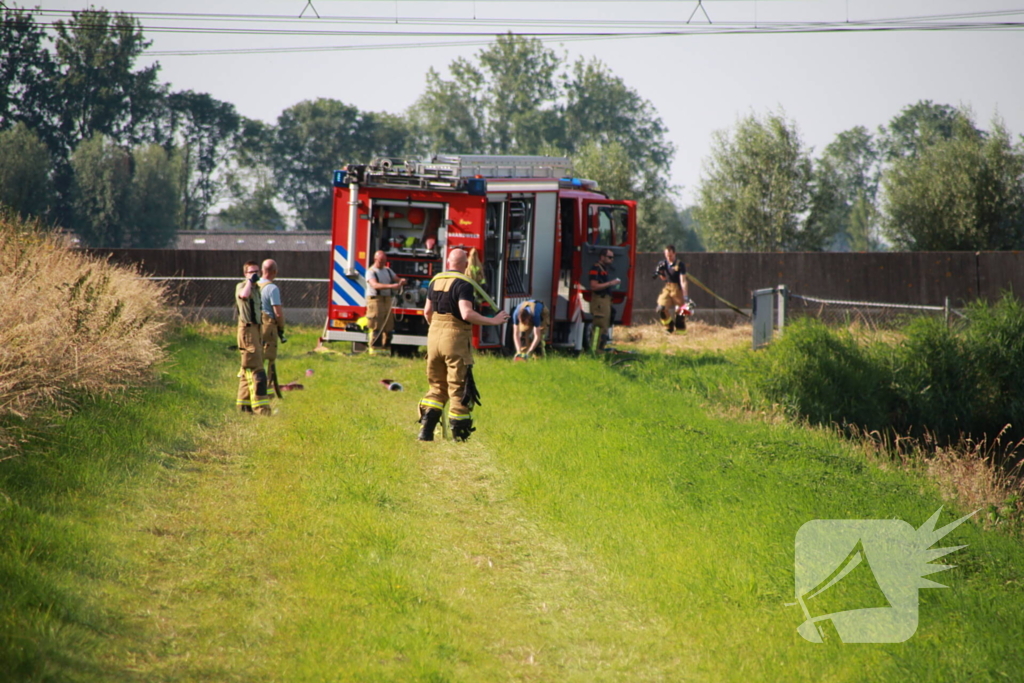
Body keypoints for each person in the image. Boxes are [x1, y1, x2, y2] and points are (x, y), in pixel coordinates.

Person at [418, 248, 510, 442]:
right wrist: (494, 321)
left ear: (448, 262)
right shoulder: (463, 283)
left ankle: (425, 431)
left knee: (436, 386)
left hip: (433, 338)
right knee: (458, 387)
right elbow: (466, 313)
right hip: (455, 339)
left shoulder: (435, 280)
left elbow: (427, 311)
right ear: (465, 265)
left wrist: (436, 329)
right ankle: (459, 436)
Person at [235, 261, 271, 415]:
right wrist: (250, 281)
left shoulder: (257, 289)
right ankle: (261, 409)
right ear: (245, 274)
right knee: (256, 369)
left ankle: (244, 407)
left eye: (257, 271)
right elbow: (243, 295)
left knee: (246, 370)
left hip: (256, 329)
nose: (255, 274)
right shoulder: (242, 286)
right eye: (251, 272)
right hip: (247, 330)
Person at [365, 250, 407, 355]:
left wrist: (401, 281)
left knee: (388, 326)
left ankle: (386, 351)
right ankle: (375, 351)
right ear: (375, 260)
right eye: (381, 261)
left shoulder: (387, 270)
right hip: (376, 300)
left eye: (384, 261)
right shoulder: (371, 272)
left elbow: (397, 279)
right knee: (376, 325)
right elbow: (375, 285)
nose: (383, 263)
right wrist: (391, 286)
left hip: (387, 299)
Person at [258, 259, 286, 395]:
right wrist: (281, 328)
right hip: (267, 327)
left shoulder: (252, 285)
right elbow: (278, 313)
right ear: (275, 272)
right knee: (268, 359)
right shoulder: (272, 288)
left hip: (251, 326)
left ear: (262, 270)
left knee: (253, 358)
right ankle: (266, 390)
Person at [588, 249, 621, 352]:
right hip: (599, 301)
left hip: (605, 301)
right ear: (602, 257)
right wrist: (611, 283)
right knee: (599, 327)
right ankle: (594, 351)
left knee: (605, 328)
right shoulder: (596, 268)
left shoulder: (604, 269)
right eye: (609, 257)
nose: (611, 259)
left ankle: (600, 350)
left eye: (612, 257)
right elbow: (594, 286)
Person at [656, 245, 690, 333]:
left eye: (670, 255)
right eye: (667, 255)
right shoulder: (663, 263)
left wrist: (685, 296)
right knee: (661, 309)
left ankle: (680, 331)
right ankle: (669, 326)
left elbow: (683, 281)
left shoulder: (680, 264)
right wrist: (660, 272)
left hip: (677, 289)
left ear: (674, 254)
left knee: (681, 313)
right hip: (667, 288)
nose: (668, 258)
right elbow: (663, 278)